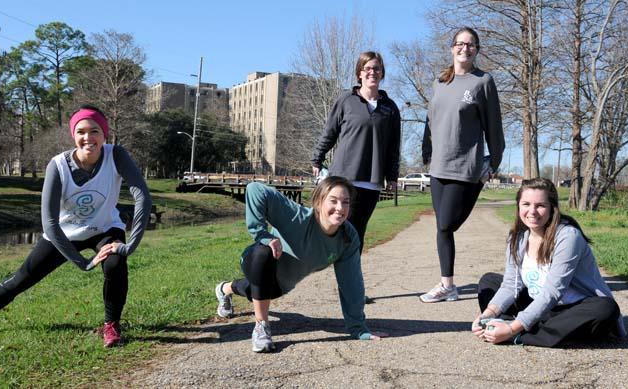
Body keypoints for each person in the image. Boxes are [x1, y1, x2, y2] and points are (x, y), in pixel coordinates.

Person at [0, 105, 152, 347]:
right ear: (73, 135)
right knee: (21, 279)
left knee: (115, 263)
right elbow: (49, 222)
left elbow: (143, 197)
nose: (88, 138)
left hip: (105, 229)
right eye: (81, 132)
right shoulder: (58, 165)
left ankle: (111, 326)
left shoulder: (116, 155)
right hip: (64, 234)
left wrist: (128, 246)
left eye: (95, 131)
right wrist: (83, 262)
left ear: (104, 133)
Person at [214, 177, 387, 353]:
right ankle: (261, 327)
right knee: (263, 253)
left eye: (345, 202)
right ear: (319, 202)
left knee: (253, 290)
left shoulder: (347, 239)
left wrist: (358, 329)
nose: (340, 208)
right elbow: (255, 189)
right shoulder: (298, 216)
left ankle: (223, 289)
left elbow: (352, 283)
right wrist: (262, 234)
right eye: (333, 201)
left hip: (280, 286)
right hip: (257, 261)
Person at [471, 178, 625, 347]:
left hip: (570, 309)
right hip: (538, 306)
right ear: (518, 206)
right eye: (526, 204)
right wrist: (487, 315)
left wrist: (511, 330)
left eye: (540, 205)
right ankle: (517, 326)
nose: (532, 211)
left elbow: (552, 293)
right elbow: (510, 285)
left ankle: (519, 335)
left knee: (605, 309)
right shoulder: (517, 237)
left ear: (552, 208)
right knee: (489, 282)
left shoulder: (568, 236)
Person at [420, 27, 505, 303]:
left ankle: (447, 286)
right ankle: (448, 285)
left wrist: (493, 162)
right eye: (460, 44)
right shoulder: (439, 82)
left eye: (470, 45)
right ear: (452, 48)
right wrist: (426, 151)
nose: (464, 49)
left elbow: (494, 127)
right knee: (442, 227)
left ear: (476, 50)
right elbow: (430, 121)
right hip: (438, 166)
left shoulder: (483, 82)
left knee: (446, 224)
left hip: (465, 166)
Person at [311, 51, 401, 269]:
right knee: (335, 230)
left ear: (382, 74)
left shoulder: (390, 108)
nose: (372, 72)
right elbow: (329, 132)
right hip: (343, 179)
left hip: (370, 182)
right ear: (360, 73)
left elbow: (393, 147)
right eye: (367, 68)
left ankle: (352, 286)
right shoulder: (346, 100)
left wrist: (392, 176)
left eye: (377, 69)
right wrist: (317, 158)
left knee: (357, 234)